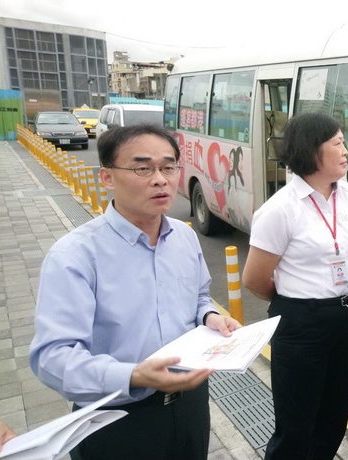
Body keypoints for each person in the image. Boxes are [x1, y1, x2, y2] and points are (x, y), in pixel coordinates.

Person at [28, 124, 241, 460]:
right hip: (115, 419)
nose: (160, 179)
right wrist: (133, 375)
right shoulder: (75, 256)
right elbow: (53, 357)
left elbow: (199, 296)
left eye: (169, 167)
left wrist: (209, 316)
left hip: (191, 406)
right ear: (107, 177)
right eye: (143, 168)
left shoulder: (184, 238)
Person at [241, 112, 348, 460]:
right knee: (296, 426)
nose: (345, 150)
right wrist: (299, 305)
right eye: (337, 143)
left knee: (333, 419)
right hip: (301, 323)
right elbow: (254, 279)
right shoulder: (280, 209)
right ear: (313, 152)